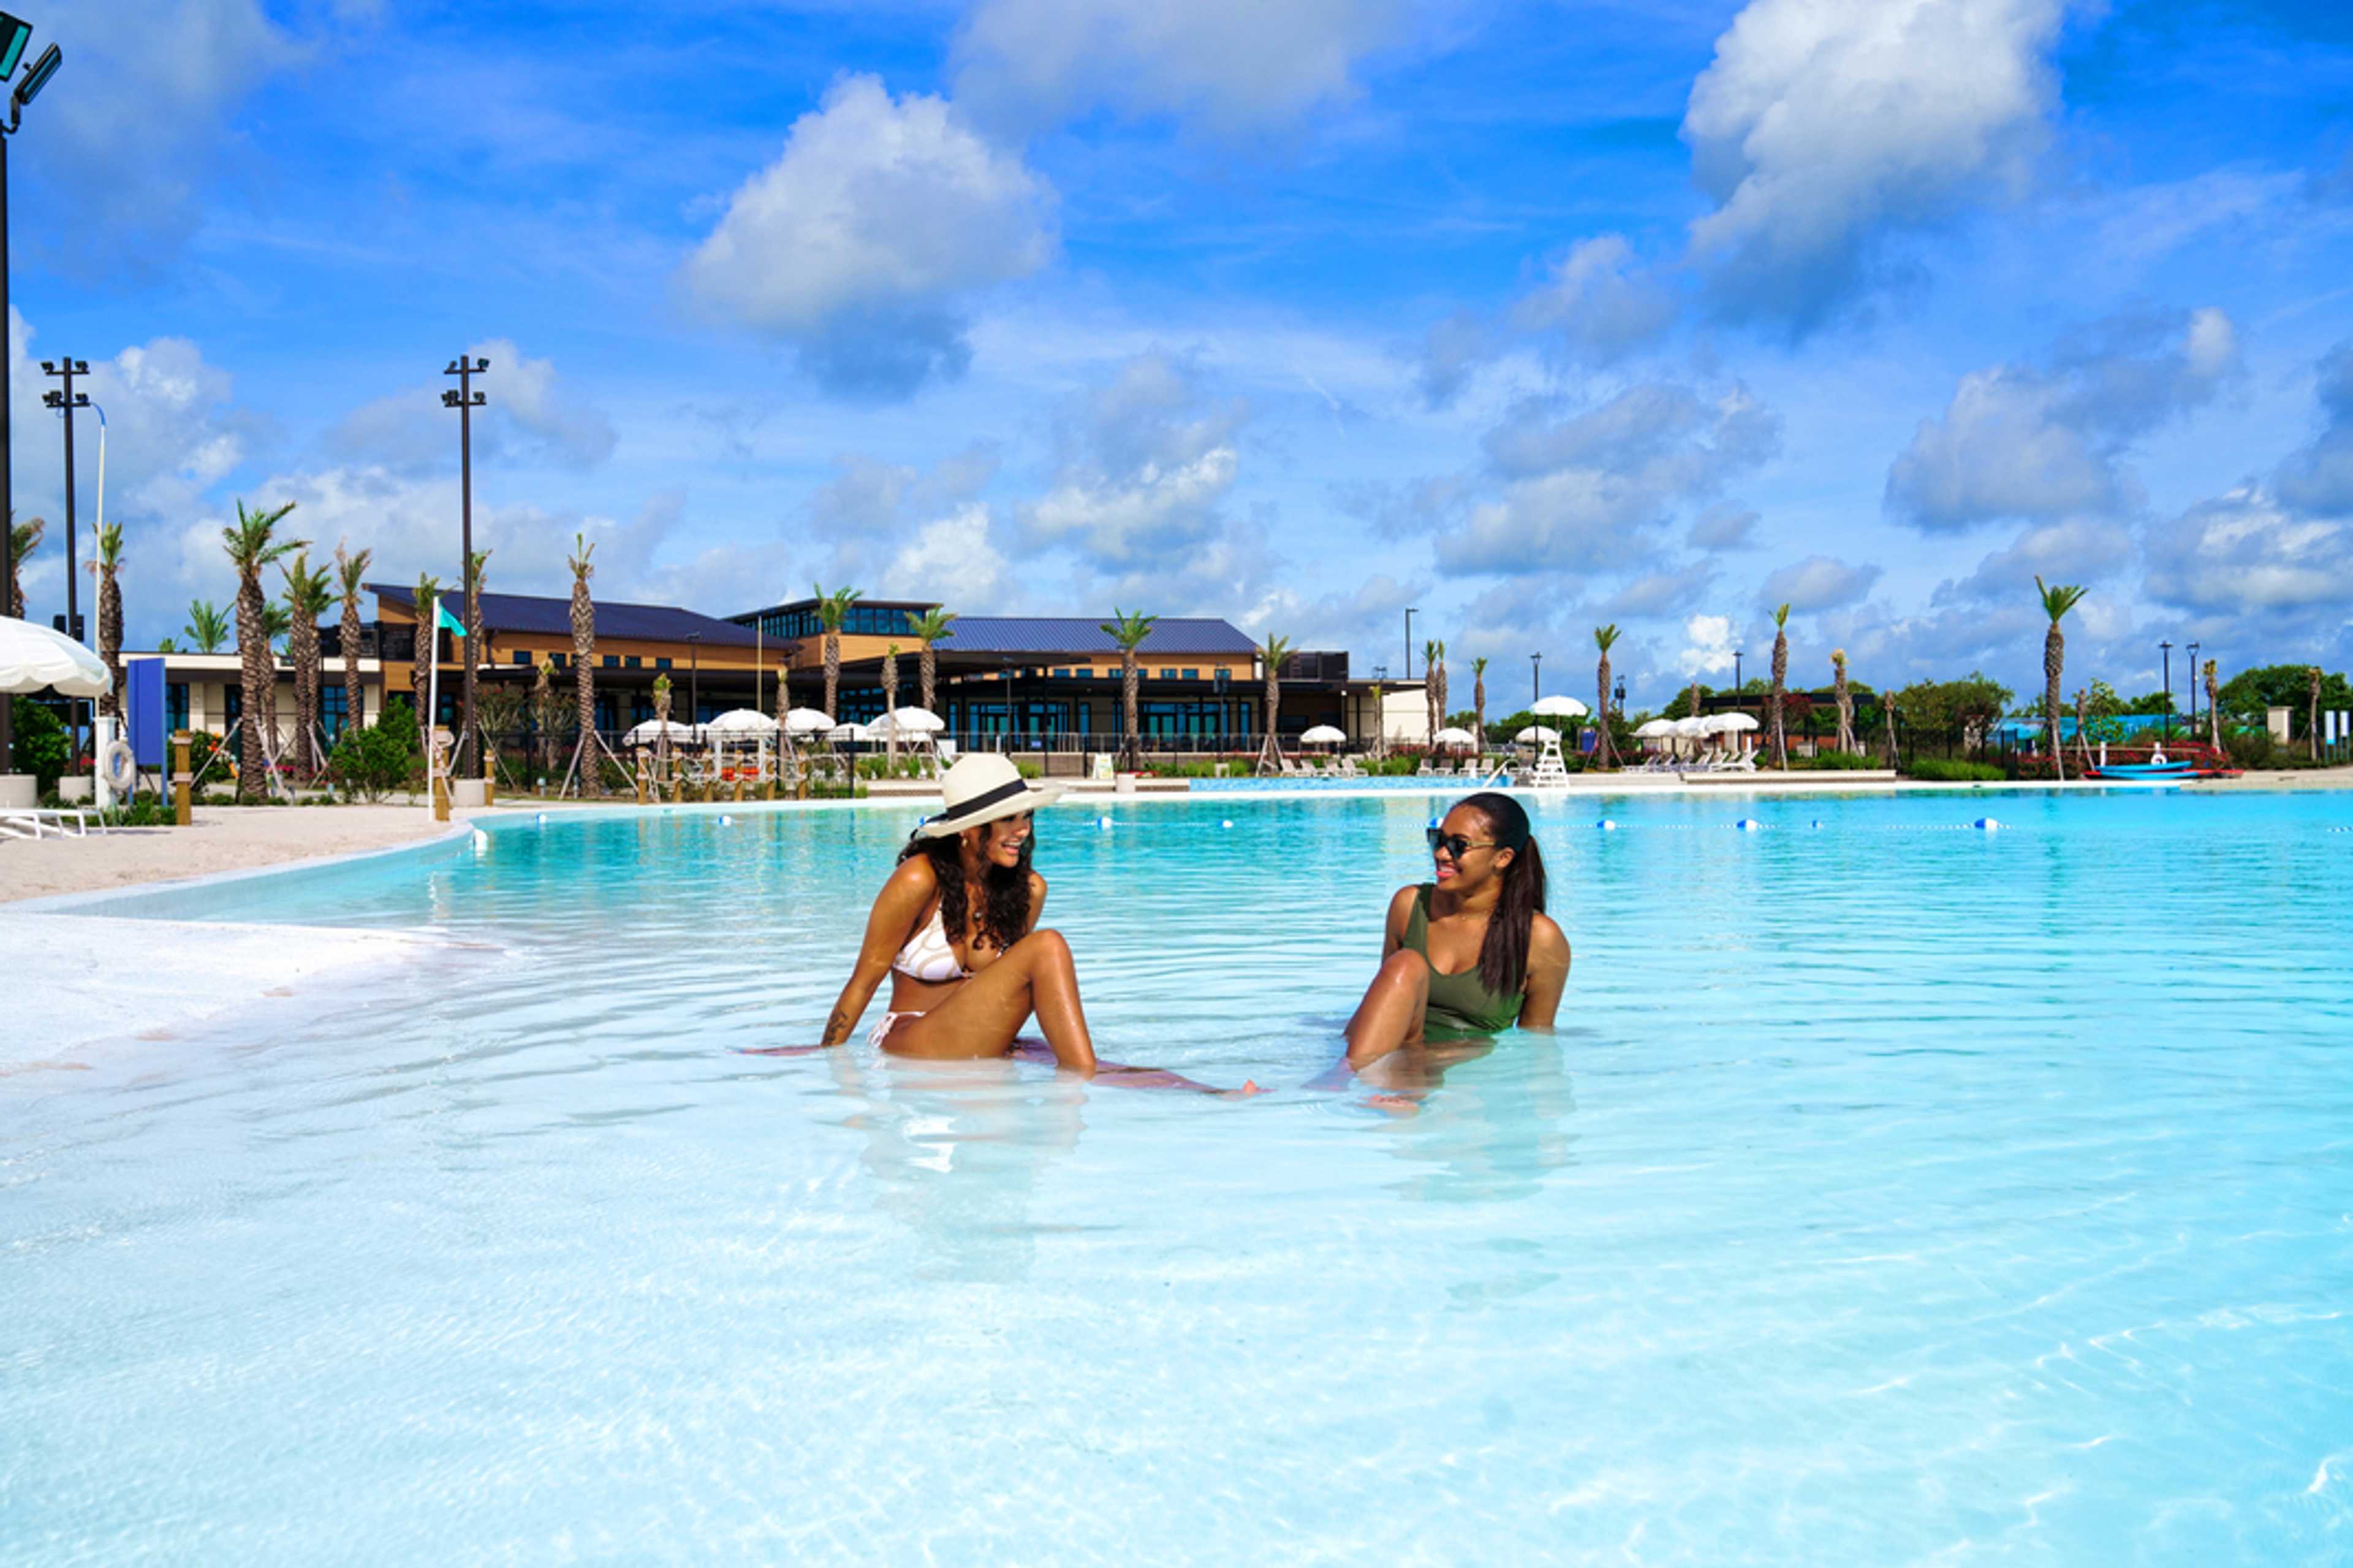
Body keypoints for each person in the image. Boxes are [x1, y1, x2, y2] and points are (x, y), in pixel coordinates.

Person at [815, 753, 1253, 1093]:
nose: (1023, 829)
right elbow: (864, 980)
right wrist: (823, 1063)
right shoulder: (919, 879)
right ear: (969, 829)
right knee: (1049, 949)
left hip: (980, 1037)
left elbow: (1008, 987)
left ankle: (1207, 1094)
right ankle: (1076, 1101)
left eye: (1027, 816)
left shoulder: (1026, 889)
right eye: (1009, 818)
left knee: (1096, 1065)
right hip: (910, 1039)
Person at [1341, 791, 1571, 1072]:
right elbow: (1383, 1001)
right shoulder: (1410, 906)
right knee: (1406, 964)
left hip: (1458, 1072)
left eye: (1458, 846)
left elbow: (1536, 1041)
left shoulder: (1539, 938)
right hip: (1383, 1054)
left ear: (1503, 858)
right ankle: (1341, 1080)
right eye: (1438, 840)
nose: (1440, 854)